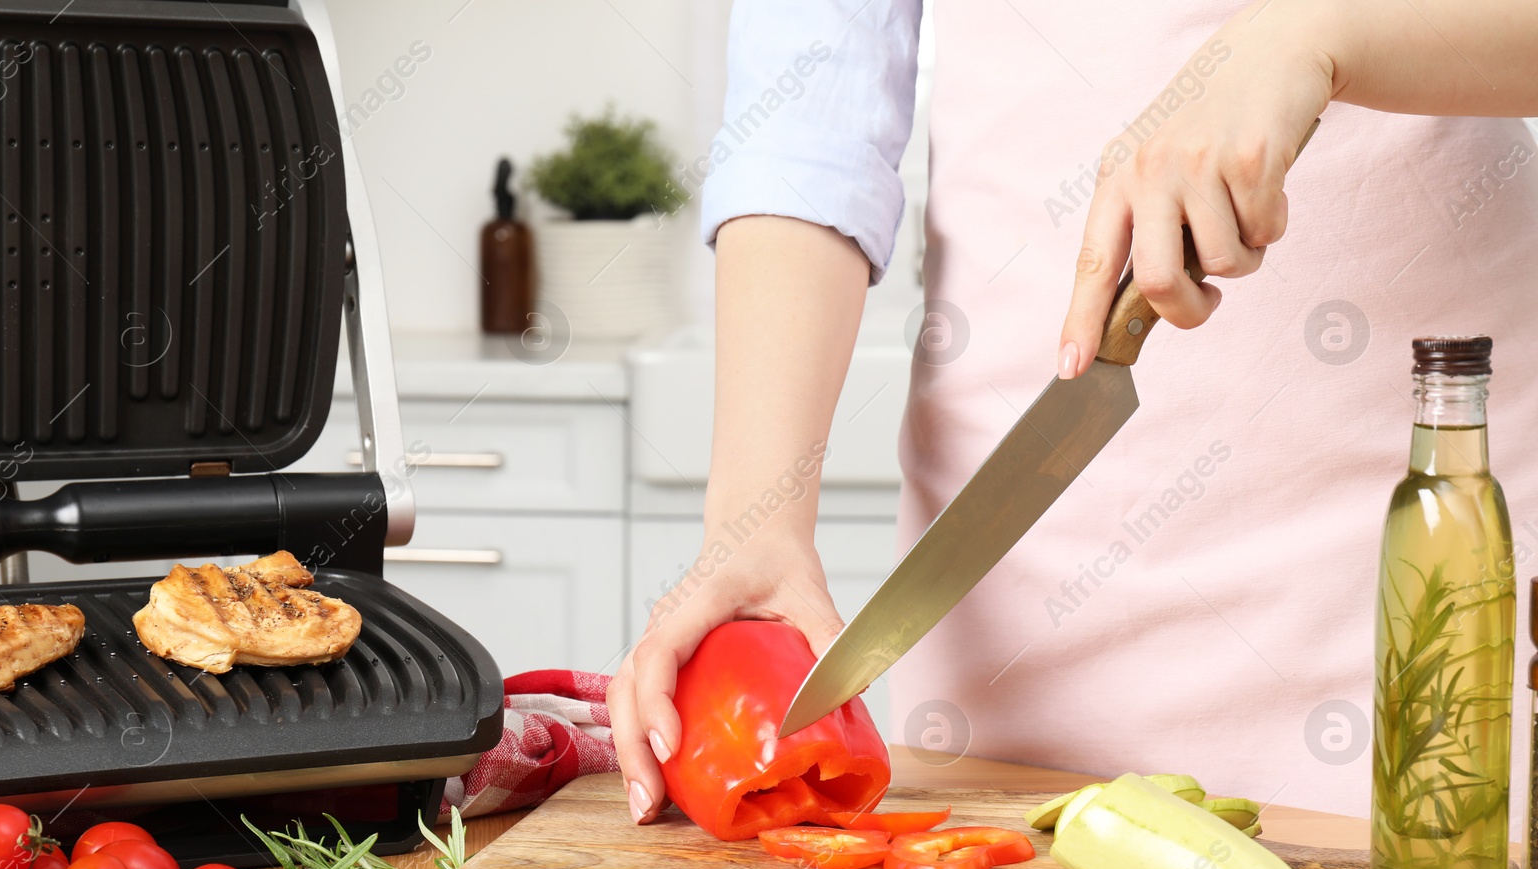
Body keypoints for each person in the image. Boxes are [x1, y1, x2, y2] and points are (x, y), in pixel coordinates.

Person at [608, 0, 1538, 824]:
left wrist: (1323, 31)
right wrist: (755, 520)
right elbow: (809, 123)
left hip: (1428, 527)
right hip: (1025, 585)